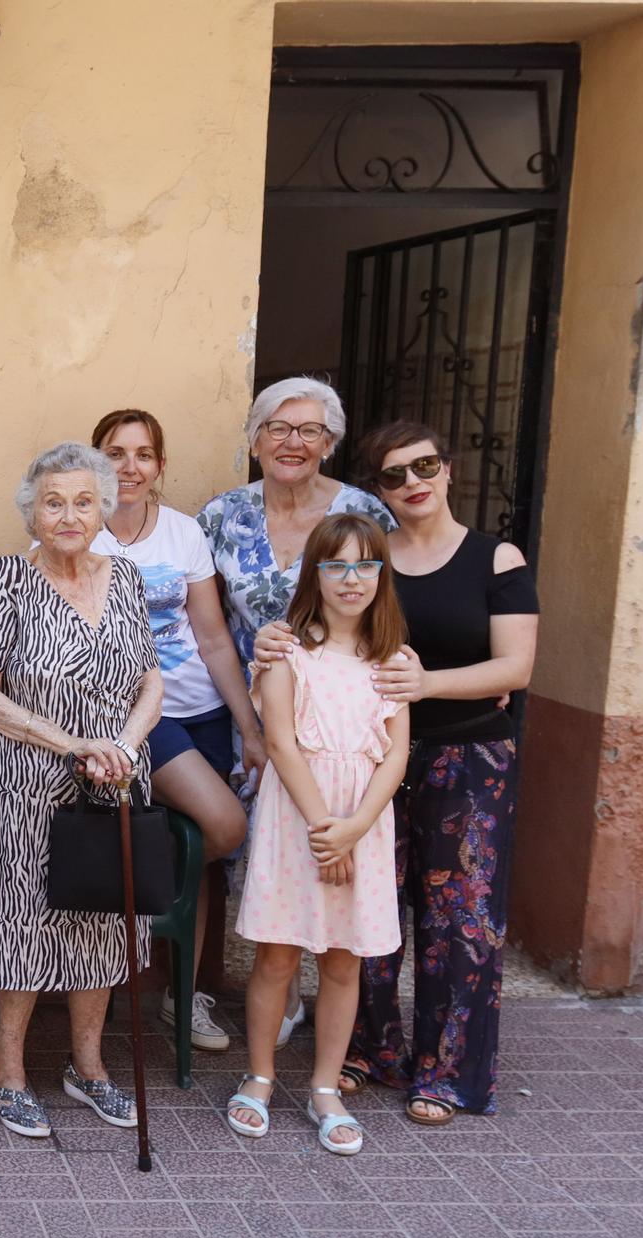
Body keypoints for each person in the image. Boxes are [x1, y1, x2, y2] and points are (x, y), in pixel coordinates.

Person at [255, 422, 537, 1125]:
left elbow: (516, 667)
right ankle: (366, 1052)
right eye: (392, 473)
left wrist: (422, 682)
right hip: (348, 774)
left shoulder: (491, 558)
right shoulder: (373, 558)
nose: (412, 481)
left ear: (449, 470)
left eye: (425, 466)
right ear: (376, 488)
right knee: (369, 924)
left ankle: (445, 1074)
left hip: (461, 757)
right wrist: (270, 642)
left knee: (457, 919)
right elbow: (297, 665)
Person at [0, 442, 164, 1138]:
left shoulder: (128, 578)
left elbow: (151, 683)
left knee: (104, 916)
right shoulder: (7, 579)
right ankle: (7, 1072)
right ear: (33, 510)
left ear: (104, 506)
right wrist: (74, 744)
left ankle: (89, 1066)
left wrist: (127, 747)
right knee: (21, 917)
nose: (69, 514)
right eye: (54, 501)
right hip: (29, 779)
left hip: (116, 779)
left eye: (83, 500)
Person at [198, 376, 394, 1044]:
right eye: (278, 428)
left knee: (331, 851)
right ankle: (252, 994)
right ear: (254, 440)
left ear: (330, 442)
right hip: (243, 718)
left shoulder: (365, 510)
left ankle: (319, 1000)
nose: (293, 442)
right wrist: (250, 726)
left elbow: (389, 600)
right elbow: (211, 626)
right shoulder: (221, 515)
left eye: (310, 430)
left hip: (339, 715)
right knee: (250, 857)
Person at [224, 515, 409, 1158]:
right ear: (315, 575)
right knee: (278, 956)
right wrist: (322, 831)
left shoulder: (393, 661)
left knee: (342, 959)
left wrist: (353, 829)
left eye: (365, 565)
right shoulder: (286, 653)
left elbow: (395, 755)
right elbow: (280, 742)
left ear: (382, 575)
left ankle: (325, 1087)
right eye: (336, 565)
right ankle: (261, 1075)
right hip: (297, 820)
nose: (351, 579)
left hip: (362, 822)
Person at [89, 409, 256, 1052]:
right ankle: (137, 922)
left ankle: (182, 999)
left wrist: (250, 728)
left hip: (203, 711)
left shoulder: (184, 534)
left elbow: (213, 638)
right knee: (222, 827)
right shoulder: (78, 531)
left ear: (160, 466)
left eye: (144, 454)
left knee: (205, 861)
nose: (129, 467)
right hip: (133, 717)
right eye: (115, 452)